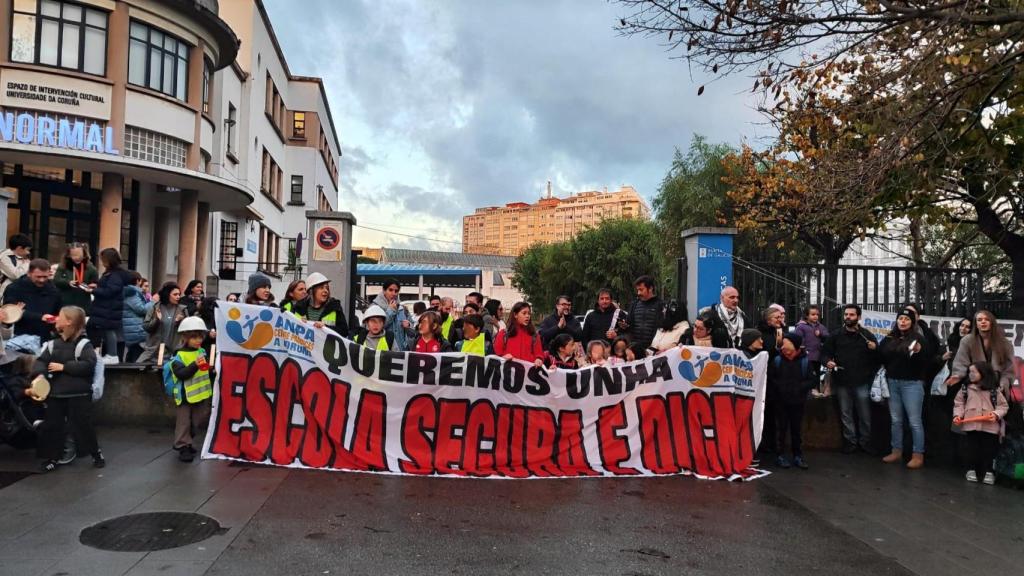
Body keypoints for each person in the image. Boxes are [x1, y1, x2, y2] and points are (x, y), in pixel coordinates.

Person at [34, 306, 103, 472]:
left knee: (83, 425)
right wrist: (40, 374)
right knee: (53, 426)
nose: (57, 319)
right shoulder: (52, 344)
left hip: (78, 393)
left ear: (69, 322)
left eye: (60, 316)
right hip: (56, 393)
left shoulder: (84, 344)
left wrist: (64, 367)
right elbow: (41, 362)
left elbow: (88, 365)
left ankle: (95, 453)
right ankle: (52, 458)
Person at [821, 305, 880, 455]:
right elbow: (825, 354)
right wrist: (828, 361)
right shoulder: (835, 335)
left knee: (865, 415)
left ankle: (865, 442)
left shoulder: (867, 335)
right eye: (846, 314)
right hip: (842, 381)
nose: (848, 317)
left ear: (859, 317)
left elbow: (878, 359)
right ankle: (850, 442)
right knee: (845, 414)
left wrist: (875, 350)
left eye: (852, 315)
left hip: (862, 382)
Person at [880, 307, 929, 469]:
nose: (903, 321)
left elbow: (925, 360)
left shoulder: (918, 339)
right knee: (896, 420)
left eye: (907, 319)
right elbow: (881, 355)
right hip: (893, 382)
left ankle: (918, 454)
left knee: (914, 421)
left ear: (912, 322)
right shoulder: (889, 337)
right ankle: (896, 450)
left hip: (912, 383)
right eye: (900, 318)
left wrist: (918, 352)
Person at [954, 361, 1009, 484]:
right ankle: (971, 469)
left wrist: (995, 414)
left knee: (989, 450)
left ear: (983, 373)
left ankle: (989, 471)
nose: (971, 374)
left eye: (974, 372)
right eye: (970, 372)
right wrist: (958, 415)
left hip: (990, 427)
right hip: (971, 425)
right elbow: (959, 403)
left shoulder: (994, 391)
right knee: (971, 449)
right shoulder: (965, 389)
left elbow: (1003, 406)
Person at [167, 316, 214, 462]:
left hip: (201, 393)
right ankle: (182, 446)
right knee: (184, 422)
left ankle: (187, 440)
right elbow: (181, 374)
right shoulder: (178, 356)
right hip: (185, 395)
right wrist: (195, 364)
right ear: (185, 338)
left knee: (197, 421)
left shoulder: (202, 351)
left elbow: (204, 371)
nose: (198, 340)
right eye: (194, 337)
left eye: (200, 337)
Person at [771, 332, 813, 469]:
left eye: (786, 343)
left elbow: (812, 380)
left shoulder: (805, 361)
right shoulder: (778, 360)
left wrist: (799, 388)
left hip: (798, 401)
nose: (783, 346)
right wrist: (781, 388)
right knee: (780, 429)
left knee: (796, 430)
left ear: (794, 346)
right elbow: (771, 378)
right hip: (781, 401)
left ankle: (797, 456)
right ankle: (780, 455)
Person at [948, 309, 1016, 394]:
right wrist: (958, 375)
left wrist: (1004, 383)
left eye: (987, 319)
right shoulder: (967, 340)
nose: (983, 322)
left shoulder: (1005, 343)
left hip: (997, 387)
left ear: (992, 323)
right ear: (976, 324)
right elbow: (961, 362)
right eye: (979, 320)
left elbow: (1009, 369)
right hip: (974, 386)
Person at [90, 248, 133, 362]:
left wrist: (94, 291)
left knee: (109, 330)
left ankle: (112, 355)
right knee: (107, 330)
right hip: (108, 307)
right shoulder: (112, 273)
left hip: (109, 307)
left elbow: (110, 291)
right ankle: (111, 354)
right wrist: (97, 287)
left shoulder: (114, 275)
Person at [2, 258, 61, 341]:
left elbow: (58, 310)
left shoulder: (53, 290)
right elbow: (9, 314)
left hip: (46, 336)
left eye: (45, 277)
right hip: (21, 336)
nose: (42, 280)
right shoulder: (15, 289)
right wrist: (40, 317)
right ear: (29, 273)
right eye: (38, 277)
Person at [138, 282, 188, 365]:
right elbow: (146, 327)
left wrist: (180, 321)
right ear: (167, 294)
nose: (178, 297)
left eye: (179, 294)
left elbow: (188, 331)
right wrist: (157, 320)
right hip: (155, 351)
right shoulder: (155, 308)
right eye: (175, 294)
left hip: (175, 351)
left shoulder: (182, 309)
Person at [292, 273, 349, 338]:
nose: (326, 291)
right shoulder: (299, 308)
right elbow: (290, 330)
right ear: (311, 291)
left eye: (327, 288)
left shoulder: (334, 307)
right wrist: (299, 324)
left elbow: (344, 331)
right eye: (321, 288)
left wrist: (326, 327)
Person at [494, 302, 544, 367]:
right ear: (515, 315)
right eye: (524, 313)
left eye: (529, 313)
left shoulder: (535, 335)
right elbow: (495, 357)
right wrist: (503, 357)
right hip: (508, 374)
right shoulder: (503, 334)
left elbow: (539, 355)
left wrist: (539, 359)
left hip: (527, 375)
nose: (527, 316)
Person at [53, 243, 98, 312]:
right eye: (73, 255)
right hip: (66, 303)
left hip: (83, 304)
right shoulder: (63, 266)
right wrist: (68, 283)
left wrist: (93, 286)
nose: (76, 258)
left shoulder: (91, 269)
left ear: (84, 254)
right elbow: (56, 280)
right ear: (68, 255)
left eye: (79, 255)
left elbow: (95, 283)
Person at [625, 275, 664, 351]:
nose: (638, 293)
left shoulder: (661, 305)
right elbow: (628, 324)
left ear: (650, 288)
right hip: (635, 349)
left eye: (641, 289)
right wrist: (624, 325)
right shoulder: (634, 304)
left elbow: (662, 328)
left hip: (653, 350)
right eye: (637, 290)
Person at [372, 279, 413, 350]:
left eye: (396, 291)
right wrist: (390, 311)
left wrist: (409, 325)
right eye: (390, 290)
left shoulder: (402, 308)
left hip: (401, 351)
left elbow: (413, 328)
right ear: (384, 291)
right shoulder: (375, 308)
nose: (394, 293)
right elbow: (375, 328)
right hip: (383, 351)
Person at [122, 271, 153, 362]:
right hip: (136, 330)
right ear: (138, 281)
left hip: (131, 328)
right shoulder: (132, 293)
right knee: (137, 356)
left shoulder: (128, 291)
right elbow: (142, 309)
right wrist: (152, 301)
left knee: (132, 354)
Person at [793, 305, 829, 376]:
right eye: (813, 314)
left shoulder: (821, 327)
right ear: (806, 316)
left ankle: (816, 387)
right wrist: (802, 351)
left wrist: (820, 334)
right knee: (806, 376)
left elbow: (828, 337)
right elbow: (798, 340)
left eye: (817, 314)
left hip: (817, 357)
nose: (816, 316)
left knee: (816, 376)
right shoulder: (801, 327)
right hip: (805, 357)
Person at [0, 233, 32, 301]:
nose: (28, 252)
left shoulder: (21, 257)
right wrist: (26, 264)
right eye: (27, 249)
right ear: (19, 248)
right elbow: (16, 275)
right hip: (4, 294)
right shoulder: (4, 257)